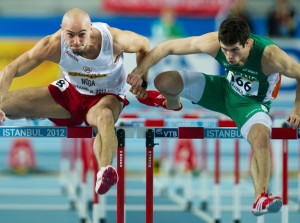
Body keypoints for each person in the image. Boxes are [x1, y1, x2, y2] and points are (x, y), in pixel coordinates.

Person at [127, 17, 300, 216]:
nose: (229, 57)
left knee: (261, 137)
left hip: (251, 105)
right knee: (164, 81)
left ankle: (260, 197)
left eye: (234, 50)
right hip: (222, 91)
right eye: (224, 50)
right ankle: (172, 104)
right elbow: (166, 47)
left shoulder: (270, 55)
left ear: (248, 42)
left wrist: (296, 109)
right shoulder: (215, 43)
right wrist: (139, 72)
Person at [0, 8, 149, 195]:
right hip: (71, 93)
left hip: (106, 97)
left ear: (91, 28)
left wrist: (142, 77)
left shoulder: (113, 40)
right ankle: (31, 111)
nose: (76, 41)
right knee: (6, 103)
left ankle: (105, 171)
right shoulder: (53, 44)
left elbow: (144, 44)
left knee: (104, 116)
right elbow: (10, 70)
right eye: (70, 35)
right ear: (62, 30)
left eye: (82, 35)